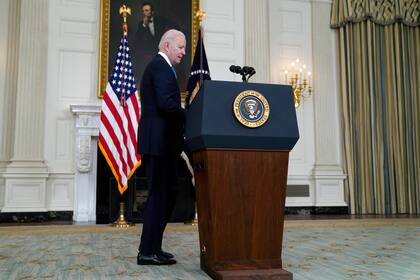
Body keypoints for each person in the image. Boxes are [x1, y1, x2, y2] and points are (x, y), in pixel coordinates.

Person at [136, 29, 186, 266]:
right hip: (159, 143)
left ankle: (154, 247)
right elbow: (167, 105)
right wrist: (190, 115)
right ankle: (147, 251)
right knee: (159, 197)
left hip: (164, 143)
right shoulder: (160, 67)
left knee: (169, 193)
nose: (183, 52)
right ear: (167, 45)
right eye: (180, 47)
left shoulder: (163, 67)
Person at [133, 2, 177, 85]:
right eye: (143, 11)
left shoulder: (160, 20)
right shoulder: (141, 25)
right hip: (148, 51)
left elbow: (173, 27)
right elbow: (137, 39)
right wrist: (144, 25)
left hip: (162, 50)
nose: (144, 13)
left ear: (152, 12)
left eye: (146, 10)